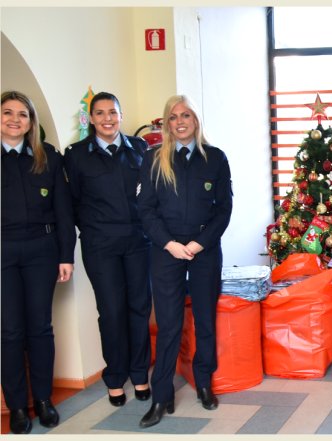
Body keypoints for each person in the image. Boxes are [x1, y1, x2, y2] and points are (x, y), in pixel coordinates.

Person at [138, 95, 233, 428]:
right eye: (173, 116)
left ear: (196, 120)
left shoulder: (215, 158)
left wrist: (198, 243)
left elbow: (224, 210)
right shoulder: (153, 160)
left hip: (204, 250)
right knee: (169, 326)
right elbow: (146, 209)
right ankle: (161, 396)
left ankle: (204, 383)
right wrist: (170, 244)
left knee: (205, 320)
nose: (180, 121)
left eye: (186, 115)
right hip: (166, 253)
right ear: (167, 123)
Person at [64, 92, 152, 408]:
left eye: (112, 112)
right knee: (112, 312)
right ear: (91, 118)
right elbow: (70, 203)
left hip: (138, 243)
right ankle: (115, 378)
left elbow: (150, 196)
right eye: (100, 113)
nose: (107, 119)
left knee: (139, 309)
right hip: (100, 246)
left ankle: (140, 374)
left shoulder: (141, 149)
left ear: (121, 114)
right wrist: (93, 228)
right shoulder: (75, 155)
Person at [1, 91, 75, 434]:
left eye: (23, 114)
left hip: (41, 252)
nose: (15, 120)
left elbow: (63, 212)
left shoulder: (48, 159)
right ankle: (17, 407)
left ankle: (43, 400)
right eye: (7, 113)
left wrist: (65, 256)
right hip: (3, 252)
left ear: (32, 122)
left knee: (40, 329)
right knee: (10, 332)